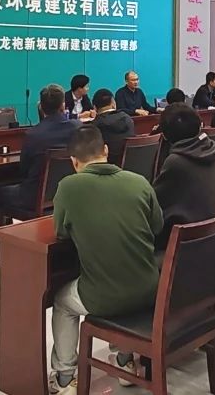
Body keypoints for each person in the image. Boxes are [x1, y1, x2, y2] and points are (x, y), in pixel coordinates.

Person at [47, 125, 163, 394]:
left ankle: (64, 377)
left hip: (104, 297)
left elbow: (61, 231)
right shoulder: (139, 181)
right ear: (106, 150)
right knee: (123, 278)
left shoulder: (68, 186)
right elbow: (157, 226)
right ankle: (124, 362)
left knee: (62, 302)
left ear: (74, 161)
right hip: (150, 289)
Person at [151, 104, 215, 249]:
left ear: (164, 135)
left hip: (196, 243)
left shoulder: (176, 162)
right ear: (200, 126)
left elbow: (153, 204)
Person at [0, 85, 79, 222]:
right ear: (63, 105)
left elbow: (24, 169)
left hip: (34, 197)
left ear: (41, 107)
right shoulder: (77, 128)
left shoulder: (33, 135)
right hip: (68, 192)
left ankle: (6, 234)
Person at [91, 88, 135, 155]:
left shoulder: (94, 127)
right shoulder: (128, 119)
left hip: (108, 160)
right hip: (131, 159)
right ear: (113, 103)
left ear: (94, 107)